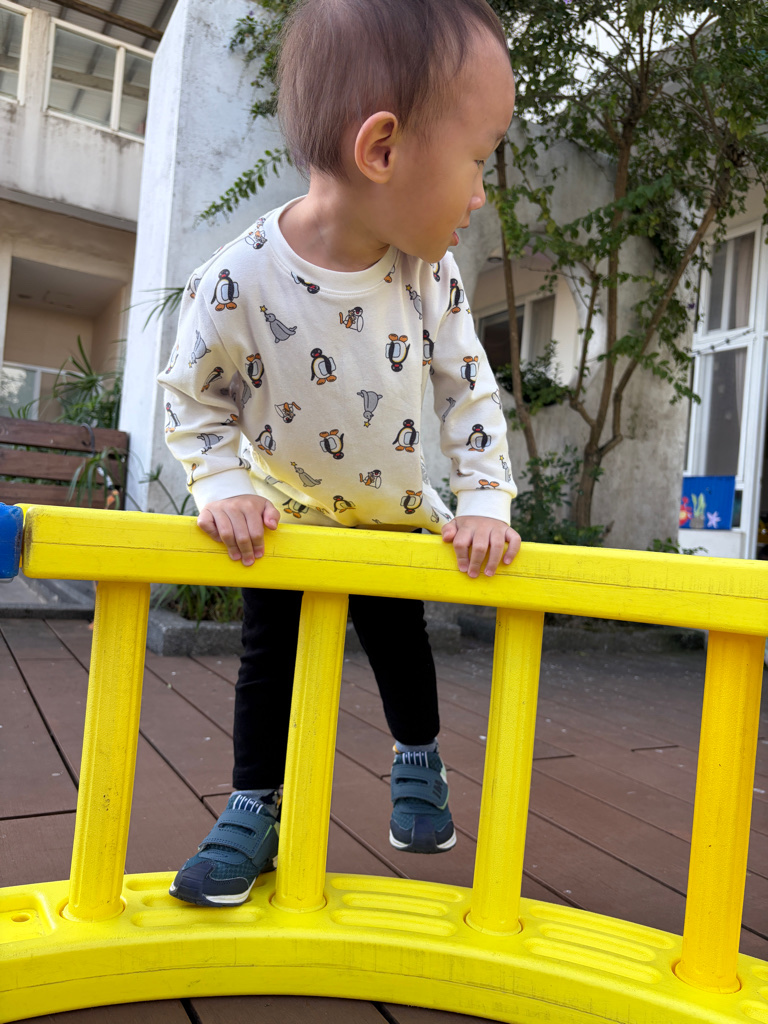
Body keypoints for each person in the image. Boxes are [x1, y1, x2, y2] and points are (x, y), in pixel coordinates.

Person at [159, 0, 520, 907]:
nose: (481, 193)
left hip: (389, 520)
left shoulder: (427, 274)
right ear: (383, 149)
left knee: (400, 642)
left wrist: (485, 499)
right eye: (478, 159)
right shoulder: (237, 279)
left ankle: (418, 757)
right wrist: (222, 486)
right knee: (267, 663)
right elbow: (194, 397)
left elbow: (468, 388)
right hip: (283, 523)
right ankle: (254, 803)